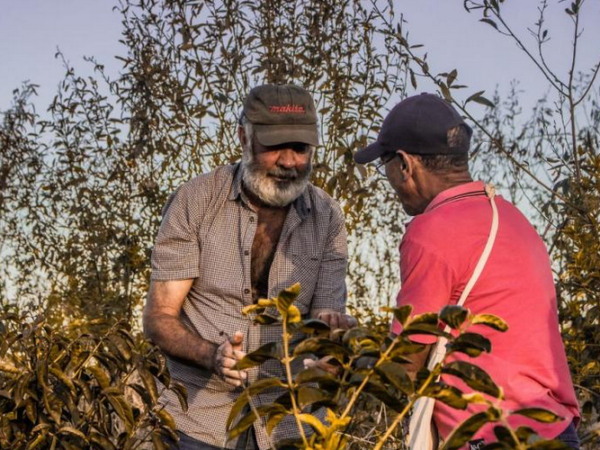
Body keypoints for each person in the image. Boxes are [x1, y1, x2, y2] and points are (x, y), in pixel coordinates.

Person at [354, 93, 581, 449]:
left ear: (404, 164)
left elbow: (405, 366)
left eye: (385, 166)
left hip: (494, 437)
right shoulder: (514, 219)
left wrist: (344, 358)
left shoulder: (430, 231)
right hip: (555, 431)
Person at [144, 84, 353, 450]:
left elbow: (326, 317)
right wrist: (212, 355)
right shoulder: (196, 200)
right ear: (243, 137)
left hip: (289, 423)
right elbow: (159, 317)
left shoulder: (328, 217)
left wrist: (333, 350)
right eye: (275, 147)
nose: (289, 162)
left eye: (301, 149)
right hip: (197, 419)